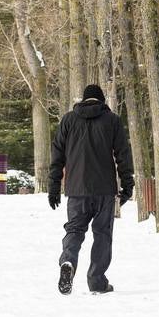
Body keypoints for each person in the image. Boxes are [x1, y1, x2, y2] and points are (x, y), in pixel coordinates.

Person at [48, 84, 134, 295]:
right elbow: (122, 154)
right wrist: (127, 184)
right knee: (102, 234)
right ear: (102, 100)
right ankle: (96, 281)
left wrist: (53, 186)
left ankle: (68, 262)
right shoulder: (112, 120)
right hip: (105, 190)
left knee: (74, 230)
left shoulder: (68, 120)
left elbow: (57, 155)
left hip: (76, 189)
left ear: (83, 100)